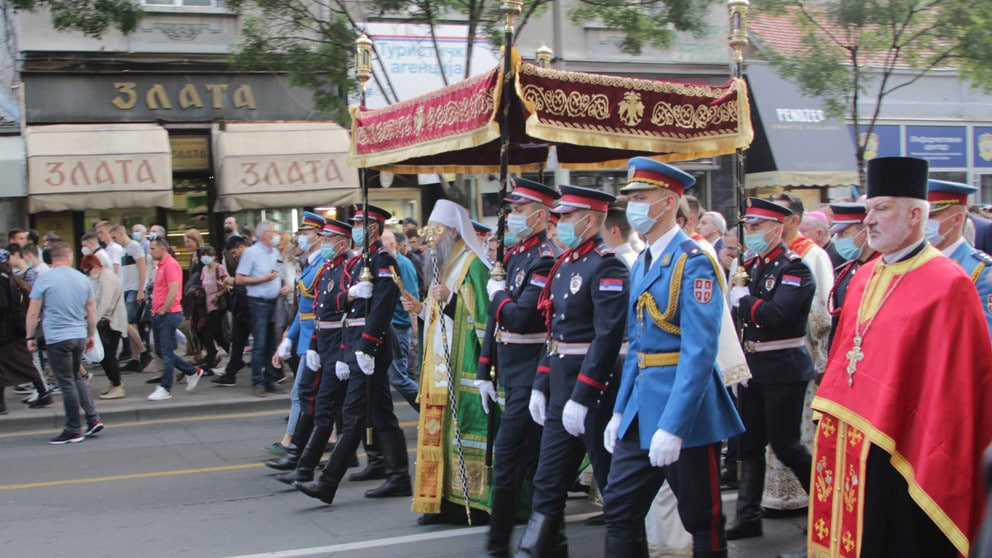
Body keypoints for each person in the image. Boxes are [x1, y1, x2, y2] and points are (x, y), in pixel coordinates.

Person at [808, 157, 992, 557]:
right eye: (868, 209)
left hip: (905, 447)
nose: (869, 220)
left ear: (914, 215)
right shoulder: (864, 276)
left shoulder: (949, 284)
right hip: (853, 438)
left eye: (881, 208)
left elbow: (957, 390)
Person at [600, 159, 743, 557]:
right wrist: (620, 410)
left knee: (702, 517)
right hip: (641, 408)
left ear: (667, 203)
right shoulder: (644, 260)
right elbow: (638, 346)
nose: (633, 207)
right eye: (631, 199)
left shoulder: (693, 260)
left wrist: (675, 426)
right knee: (619, 508)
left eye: (641, 198)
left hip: (685, 411)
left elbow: (699, 351)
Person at [514, 185, 629, 557]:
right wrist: (541, 382)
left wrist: (584, 394)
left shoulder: (607, 264)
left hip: (594, 390)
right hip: (561, 387)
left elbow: (607, 337)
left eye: (566, 216)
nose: (559, 222)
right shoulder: (566, 264)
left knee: (612, 485)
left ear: (590, 220)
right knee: (547, 481)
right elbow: (555, 331)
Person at [294, 204, 410, 504]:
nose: (355, 228)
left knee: (353, 413)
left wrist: (367, 346)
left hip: (371, 346)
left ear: (373, 228)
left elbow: (382, 306)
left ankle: (328, 482)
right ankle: (397, 474)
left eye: (359, 224)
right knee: (380, 412)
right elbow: (345, 308)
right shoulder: (361, 261)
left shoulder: (382, 259)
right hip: (356, 344)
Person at [475, 178, 560, 556]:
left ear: (540, 216)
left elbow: (522, 318)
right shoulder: (515, 255)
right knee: (532, 462)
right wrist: (484, 370)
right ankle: (550, 544)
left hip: (531, 370)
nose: (512, 216)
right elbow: (496, 323)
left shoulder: (544, 257)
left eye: (520, 210)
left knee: (511, 456)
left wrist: (497, 297)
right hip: (511, 372)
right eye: (511, 209)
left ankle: (498, 546)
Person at [725, 198, 816, 541]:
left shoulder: (795, 270)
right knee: (748, 445)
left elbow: (778, 315)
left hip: (783, 368)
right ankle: (748, 517)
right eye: (747, 227)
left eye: (756, 227)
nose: (750, 233)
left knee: (785, 445)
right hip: (753, 368)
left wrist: (745, 300)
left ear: (777, 230)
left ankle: (824, 507)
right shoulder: (751, 265)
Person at [402, 200, 492, 525]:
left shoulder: (473, 265)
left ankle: (469, 503)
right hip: (437, 369)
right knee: (435, 438)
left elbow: (483, 318)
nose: (431, 240)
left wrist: (451, 299)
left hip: (461, 367)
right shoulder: (444, 266)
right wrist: (421, 309)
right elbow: (438, 318)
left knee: (461, 435)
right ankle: (437, 501)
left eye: (436, 232)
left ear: (454, 232)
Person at [764, 192, 834, 513]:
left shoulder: (812, 254)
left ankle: (810, 499)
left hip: (801, 351)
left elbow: (821, 310)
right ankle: (777, 496)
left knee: (798, 432)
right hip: (769, 356)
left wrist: (821, 358)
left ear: (793, 220)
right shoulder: (769, 253)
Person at [273, 218, 355, 484]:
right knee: (321, 401)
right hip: (319, 339)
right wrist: (300, 341)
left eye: (328, 239)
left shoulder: (346, 267)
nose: (323, 242)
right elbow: (314, 309)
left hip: (336, 343)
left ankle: (302, 459)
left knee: (328, 404)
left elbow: (348, 313)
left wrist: (344, 351)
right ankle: (302, 459)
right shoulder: (325, 267)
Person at [24, 241, 104, 444]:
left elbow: (33, 312)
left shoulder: (44, 279)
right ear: (69, 257)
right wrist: (90, 335)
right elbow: (92, 310)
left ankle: (73, 429)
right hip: (78, 335)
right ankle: (93, 417)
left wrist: (30, 336)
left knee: (66, 381)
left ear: (52, 258)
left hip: (57, 337)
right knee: (75, 376)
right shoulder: (82, 278)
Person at [266, 212, 326, 471]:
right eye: (301, 233)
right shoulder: (311, 264)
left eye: (306, 233)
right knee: (312, 396)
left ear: (319, 236)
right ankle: (318, 442)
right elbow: (303, 310)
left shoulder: (322, 265)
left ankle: (291, 442)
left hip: (318, 339)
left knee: (303, 394)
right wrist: (288, 339)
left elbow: (319, 310)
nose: (301, 237)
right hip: (306, 338)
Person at [925, 179, 992, 336]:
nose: (923, 223)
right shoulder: (911, 263)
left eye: (931, 216)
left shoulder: (981, 271)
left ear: (957, 219)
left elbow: (986, 336)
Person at [146, 237, 204, 401]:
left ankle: (166, 388)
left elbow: (173, 291)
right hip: (160, 313)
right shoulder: (161, 266)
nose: (151, 252)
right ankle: (192, 371)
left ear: (163, 248)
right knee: (161, 351)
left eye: (153, 249)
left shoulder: (170, 264)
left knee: (165, 351)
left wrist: (163, 310)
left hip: (168, 313)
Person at [235, 220, 287, 397]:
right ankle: (257, 381)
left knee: (272, 342)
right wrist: (262, 279)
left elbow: (278, 273)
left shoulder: (275, 252)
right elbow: (240, 279)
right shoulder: (251, 253)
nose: (276, 234)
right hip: (258, 302)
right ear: (264, 234)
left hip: (274, 301)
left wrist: (282, 286)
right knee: (260, 343)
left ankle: (271, 379)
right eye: (273, 231)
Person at [0, 249, 52, 415]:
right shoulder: (11, 279)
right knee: (19, 364)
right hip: (14, 331)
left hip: (7, 333)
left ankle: (42, 393)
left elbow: (3, 307)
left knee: (19, 364)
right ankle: (42, 393)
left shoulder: (3, 281)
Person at [825, 203, 877, 349]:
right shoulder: (844, 273)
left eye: (844, 233)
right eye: (836, 234)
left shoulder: (883, 270)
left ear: (866, 231)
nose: (838, 239)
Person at [381, 228, 419, 411]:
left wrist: (415, 334)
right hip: (385, 327)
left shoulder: (403, 264)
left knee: (398, 378)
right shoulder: (384, 263)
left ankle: (430, 411)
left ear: (391, 244)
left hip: (399, 329)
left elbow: (412, 299)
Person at [80, 255, 128, 400]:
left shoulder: (107, 278)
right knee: (105, 355)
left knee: (108, 355)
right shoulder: (101, 278)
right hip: (107, 321)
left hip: (112, 322)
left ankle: (117, 385)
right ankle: (114, 383)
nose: (88, 274)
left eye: (88, 270)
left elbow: (105, 303)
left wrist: (92, 320)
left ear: (95, 267)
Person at [212, 235, 251, 388]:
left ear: (241, 247)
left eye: (234, 252)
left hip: (251, 307)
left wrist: (233, 281)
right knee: (237, 342)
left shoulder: (252, 259)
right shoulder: (243, 261)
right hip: (241, 307)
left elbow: (249, 282)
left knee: (264, 343)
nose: (234, 256)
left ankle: (273, 373)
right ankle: (230, 374)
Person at [109, 224, 150, 369]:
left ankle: (143, 352)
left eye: (114, 237)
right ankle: (135, 357)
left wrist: (140, 289)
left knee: (126, 321)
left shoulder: (134, 246)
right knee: (130, 324)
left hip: (134, 288)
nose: (114, 240)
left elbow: (142, 268)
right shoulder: (123, 250)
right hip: (127, 288)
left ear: (121, 233)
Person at [196, 246, 230, 371]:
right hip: (206, 306)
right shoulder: (204, 269)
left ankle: (211, 359)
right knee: (218, 335)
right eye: (203, 255)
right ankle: (235, 357)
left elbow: (227, 285)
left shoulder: (219, 268)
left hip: (217, 305)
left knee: (208, 334)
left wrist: (218, 295)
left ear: (214, 256)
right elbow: (202, 285)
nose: (205, 257)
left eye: (208, 255)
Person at [603, 199, 639, 268]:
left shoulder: (615, 263)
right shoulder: (638, 258)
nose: (600, 235)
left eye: (602, 231)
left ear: (614, 231)